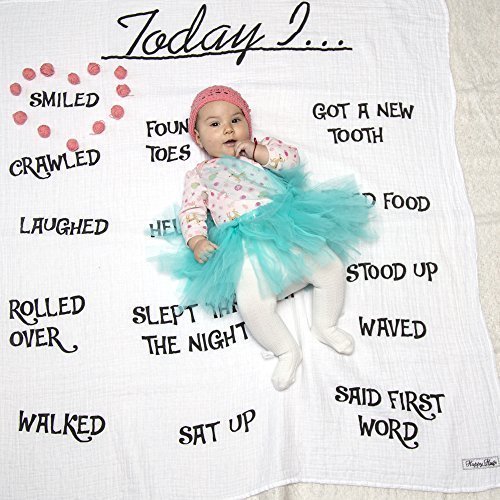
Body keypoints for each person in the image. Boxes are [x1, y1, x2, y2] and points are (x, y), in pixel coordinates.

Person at [154, 85, 375, 391]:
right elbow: (191, 209)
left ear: (248, 125)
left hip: (284, 223)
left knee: (331, 268)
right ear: (198, 138)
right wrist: (196, 240)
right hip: (242, 242)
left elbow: (292, 160)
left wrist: (260, 152)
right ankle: (286, 349)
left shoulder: (259, 150)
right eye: (214, 124)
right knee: (252, 304)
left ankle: (325, 324)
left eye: (236, 120)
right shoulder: (199, 174)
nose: (228, 129)